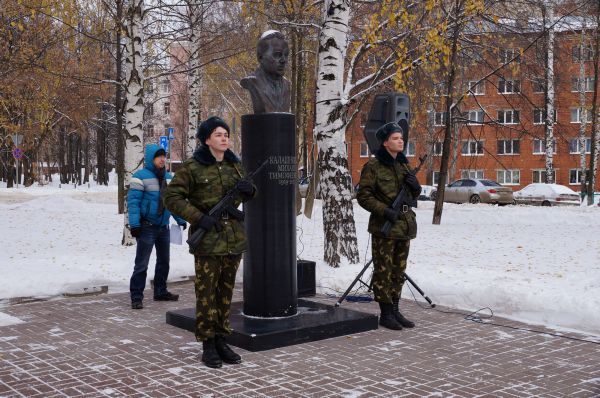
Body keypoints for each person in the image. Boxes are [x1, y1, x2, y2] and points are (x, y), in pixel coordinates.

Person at [163, 116, 256, 368]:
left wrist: (250, 190)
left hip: (233, 239)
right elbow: (171, 197)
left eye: (226, 134)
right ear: (206, 140)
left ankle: (222, 340)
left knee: (225, 294)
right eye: (218, 134)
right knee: (206, 295)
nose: (224, 138)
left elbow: (248, 190)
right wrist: (198, 218)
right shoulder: (193, 167)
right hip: (208, 240)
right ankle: (208, 344)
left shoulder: (234, 165)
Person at [356, 122, 422, 330]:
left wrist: (416, 188)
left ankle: (395, 309)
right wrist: (385, 210)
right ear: (385, 143)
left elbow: (411, 196)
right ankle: (385, 314)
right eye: (395, 138)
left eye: (401, 137)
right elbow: (363, 196)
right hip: (384, 225)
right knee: (383, 271)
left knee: (398, 271)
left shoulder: (403, 166)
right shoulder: (373, 167)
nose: (400, 140)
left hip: (404, 226)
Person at [128, 144, 187, 310]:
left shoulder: (168, 177)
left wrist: (180, 219)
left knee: (164, 262)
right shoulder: (140, 177)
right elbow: (133, 203)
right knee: (142, 264)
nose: (162, 159)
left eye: (164, 156)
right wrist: (135, 225)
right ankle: (136, 296)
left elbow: (172, 202)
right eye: (158, 156)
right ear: (150, 159)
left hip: (163, 228)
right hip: (147, 227)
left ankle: (160, 291)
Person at [240, 30, 291, 113]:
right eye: (277, 54)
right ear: (260, 57)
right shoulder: (253, 81)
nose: (283, 60)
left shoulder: (287, 85)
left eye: (286, 55)